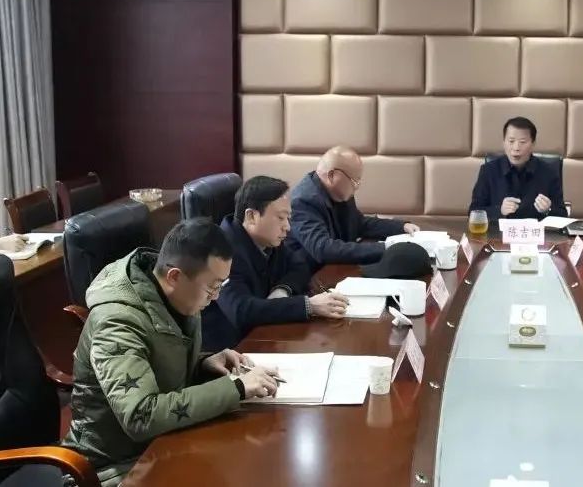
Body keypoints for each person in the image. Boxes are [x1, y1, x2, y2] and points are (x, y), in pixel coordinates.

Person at [62, 219, 283, 486]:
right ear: (174, 276)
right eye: (212, 286)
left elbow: (156, 361)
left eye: (220, 286)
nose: (215, 297)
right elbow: (141, 415)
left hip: (164, 442)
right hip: (112, 466)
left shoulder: (176, 295)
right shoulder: (117, 322)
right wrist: (236, 388)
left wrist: (203, 363)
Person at [201, 175, 351, 351]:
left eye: (288, 218)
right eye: (281, 218)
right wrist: (309, 306)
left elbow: (300, 265)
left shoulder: (267, 239)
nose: (287, 227)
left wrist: (282, 290)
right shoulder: (221, 251)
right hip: (230, 350)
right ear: (251, 216)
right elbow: (241, 310)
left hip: (263, 337)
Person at [287, 146, 419, 267]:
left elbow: (359, 223)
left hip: (336, 269)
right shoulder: (303, 201)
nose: (357, 187)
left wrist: (401, 227)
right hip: (309, 276)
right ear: (332, 176)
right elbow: (323, 249)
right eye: (354, 181)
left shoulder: (339, 193)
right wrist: (386, 248)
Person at [469, 116, 566, 221]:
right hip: (498, 231)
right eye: (511, 141)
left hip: (536, 231)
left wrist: (548, 210)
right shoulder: (488, 171)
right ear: (504, 142)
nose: (516, 148)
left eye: (522, 142)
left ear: (533, 144)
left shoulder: (548, 172)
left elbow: (563, 214)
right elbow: (473, 211)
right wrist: (499, 210)